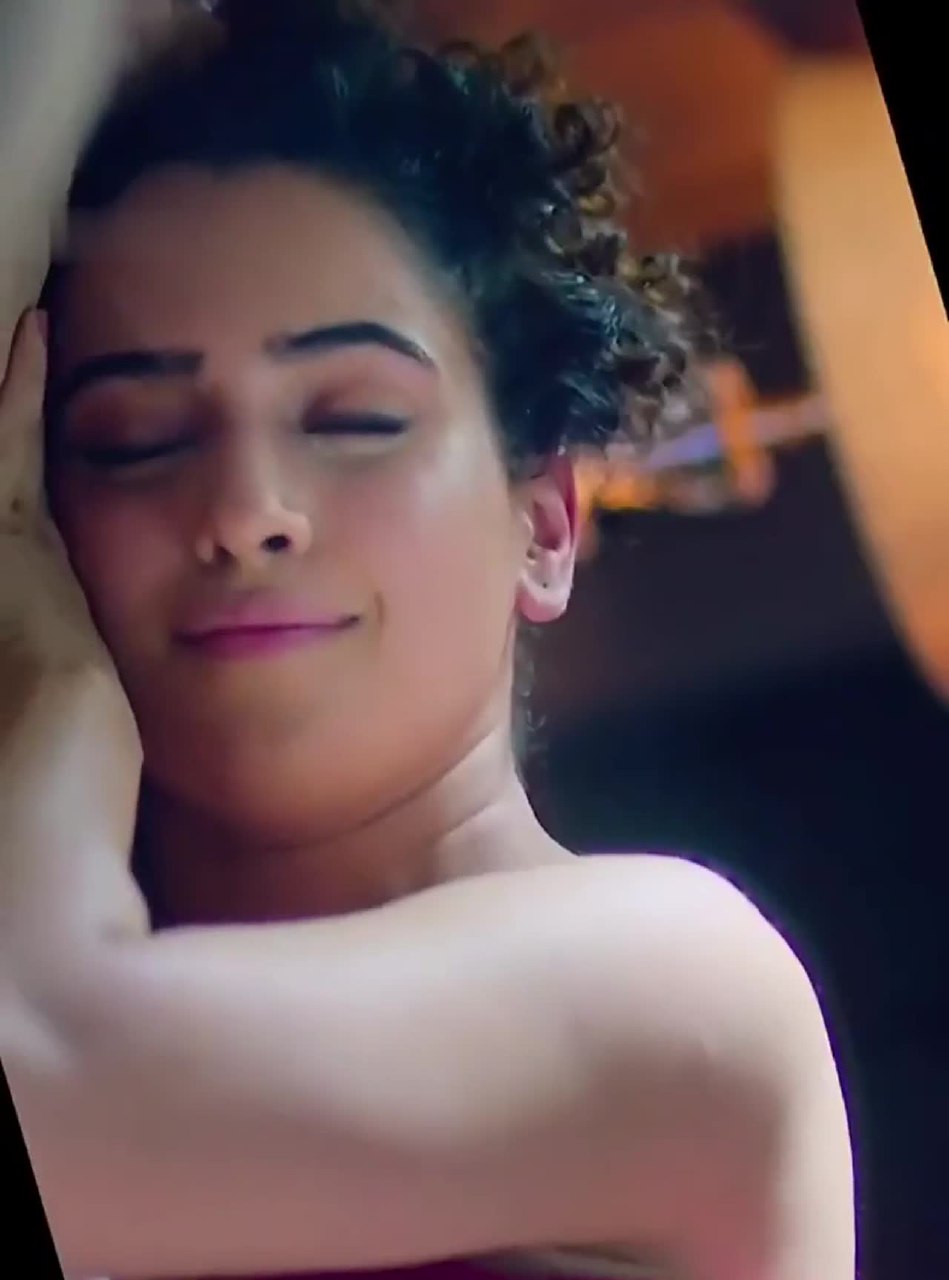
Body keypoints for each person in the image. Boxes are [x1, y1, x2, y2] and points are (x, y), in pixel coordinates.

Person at [1, 2, 855, 1278]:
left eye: (352, 419)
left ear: (545, 523)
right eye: (137, 438)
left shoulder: (685, 989)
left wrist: (51, 671)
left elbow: (45, 1081)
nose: (245, 510)